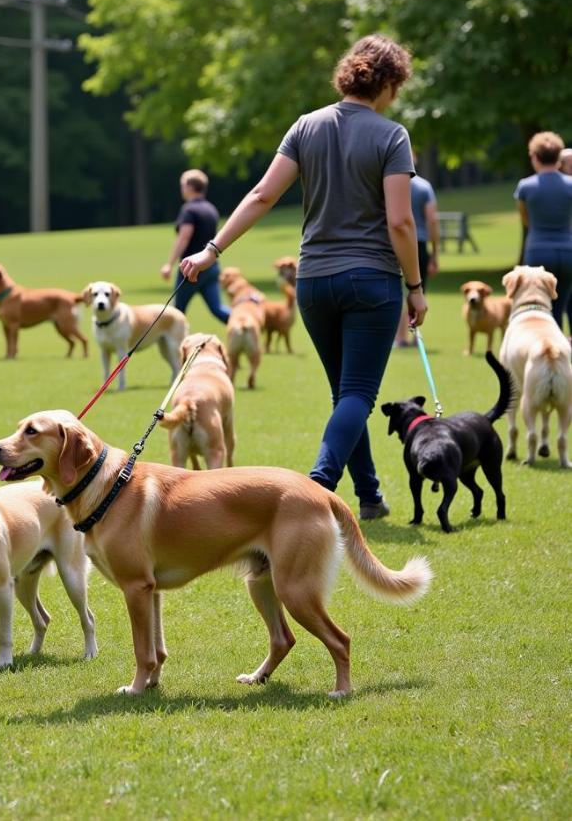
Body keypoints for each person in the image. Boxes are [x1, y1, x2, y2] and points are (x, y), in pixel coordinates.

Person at [181, 34, 427, 520]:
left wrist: (213, 250)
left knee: (345, 395)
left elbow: (260, 196)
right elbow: (401, 222)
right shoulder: (392, 135)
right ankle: (317, 486)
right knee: (358, 394)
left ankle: (371, 496)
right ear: (389, 82)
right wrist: (416, 287)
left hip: (314, 282)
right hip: (371, 281)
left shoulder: (305, 126)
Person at [514, 131, 572, 332]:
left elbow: (525, 218)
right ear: (558, 158)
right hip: (568, 251)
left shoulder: (525, 187)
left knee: (543, 309)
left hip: (538, 251)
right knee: (562, 302)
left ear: (535, 157)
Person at [161, 170, 230, 323]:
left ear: (190, 186)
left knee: (177, 312)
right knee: (218, 309)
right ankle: (245, 322)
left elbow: (184, 238)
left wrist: (169, 264)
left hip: (191, 267)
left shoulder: (189, 210)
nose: (182, 188)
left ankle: (178, 346)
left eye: (183, 185)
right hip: (211, 266)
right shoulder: (211, 209)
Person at [394, 164, 439, 346]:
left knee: (396, 291)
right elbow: (432, 220)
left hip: (393, 242)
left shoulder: (389, 184)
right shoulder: (424, 187)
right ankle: (414, 336)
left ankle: (400, 337)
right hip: (418, 243)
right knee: (417, 291)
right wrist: (435, 253)